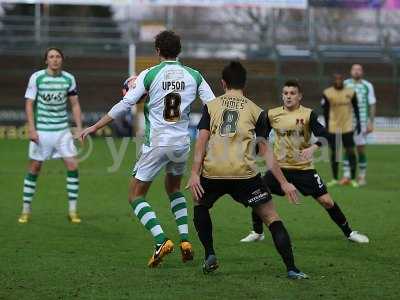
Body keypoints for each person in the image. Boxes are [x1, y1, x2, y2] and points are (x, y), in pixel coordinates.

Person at [80, 31, 215, 267]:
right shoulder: (194, 75)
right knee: (173, 188)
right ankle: (185, 240)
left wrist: (94, 126)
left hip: (157, 143)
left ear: (158, 51)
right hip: (182, 143)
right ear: (179, 50)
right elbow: (213, 107)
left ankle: (161, 240)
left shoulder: (150, 74)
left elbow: (125, 104)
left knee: (135, 195)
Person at [187, 62, 308, 279]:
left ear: (223, 83)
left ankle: (210, 254)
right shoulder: (256, 111)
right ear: (245, 84)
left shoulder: (211, 106)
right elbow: (264, 151)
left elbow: (201, 141)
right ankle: (292, 268)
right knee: (271, 217)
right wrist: (284, 182)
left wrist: (195, 173)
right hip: (245, 175)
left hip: (213, 172)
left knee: (200, 205)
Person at [240, 80, 369, 245]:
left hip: (304, 169)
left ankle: (350, 232)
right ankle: (257, 232)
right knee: (258, 195)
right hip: (279, 169)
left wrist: (313, 148)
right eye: (285, 93)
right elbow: (262, 139)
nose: (288, 96)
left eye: (292, 93)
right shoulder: (271, 114)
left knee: (327, 201)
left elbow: (326, 134)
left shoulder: (308, 114)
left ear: (300, 96)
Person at [18, 47, 82, 224]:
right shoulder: (37, 77)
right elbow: (29, 104)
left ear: (62, 59)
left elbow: (75, 105)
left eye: (58, 56)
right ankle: (25, 209)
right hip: (42, 131)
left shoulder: (69, 79)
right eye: (51, 57)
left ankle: (72, 210)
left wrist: (79, 127)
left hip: (62, 132)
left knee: (72, 165)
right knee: (34, 167)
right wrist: (31, 128)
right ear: (46, 60)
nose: (55, 59)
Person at [322, 73, 361, 188]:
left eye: (340, 79)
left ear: (343, 80)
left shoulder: (350, 92)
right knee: (336, 154)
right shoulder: (327, 93)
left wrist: (358, 122)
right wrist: (327, 128)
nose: (338, 81)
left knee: (351, 152)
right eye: (336, 79)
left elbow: (356, 108)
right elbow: (325, 111)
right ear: (333, 81)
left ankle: (353, 179)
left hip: (347, 127)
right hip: (334, 128)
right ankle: (334, 179)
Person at [341, 64, 377, 186]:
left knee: (360, 149)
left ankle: (361, 176)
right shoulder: (345, 84)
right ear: (351, 71)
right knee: (347, 148)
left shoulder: (368, 86)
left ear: (362, 72)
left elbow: (372, 104)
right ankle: (346, 176)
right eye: (354, 69)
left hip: (361, 122)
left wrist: (371, 122)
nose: (356, 71)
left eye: (359, 69)